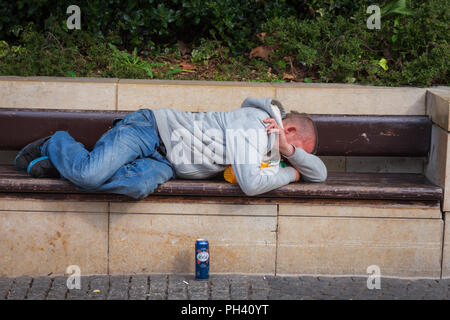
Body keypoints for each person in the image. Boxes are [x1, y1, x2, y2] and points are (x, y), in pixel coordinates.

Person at [14, 97, 327, 199]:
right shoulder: (256, 126)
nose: (294, 158)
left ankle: (59, 166)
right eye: (298, 147)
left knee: (136, 187)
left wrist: (289, 153)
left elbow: (320, 173)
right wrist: (291, 176)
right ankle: (59, 143)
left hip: (167, 164)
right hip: (149, 130)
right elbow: (250, 184)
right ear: (288, 129)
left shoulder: (277, 146)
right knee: (92, 176)